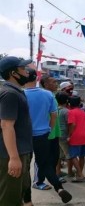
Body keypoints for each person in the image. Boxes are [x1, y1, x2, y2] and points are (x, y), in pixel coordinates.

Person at [24, 67, 72, 204]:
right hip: (43, 135)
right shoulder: (48, 95)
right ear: (36, 79)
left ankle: (27, 200)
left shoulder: (20, 95)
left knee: (25, 168)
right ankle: (59, 188)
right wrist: (49, 130)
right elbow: (54, 115)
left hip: (25, 137)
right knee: (45, 164)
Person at [0, 56, 33, 206]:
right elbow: (7, 125)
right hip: (11, 154)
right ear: (13, 73)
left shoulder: (15, 92)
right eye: (23, 69)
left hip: (19, 151)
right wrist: (13, 158)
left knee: (18, 193)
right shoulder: (10, 94)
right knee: (10, 199)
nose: (27, 73)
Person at [39, 75, 67, 185]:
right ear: (45, 84)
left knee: (55, 157)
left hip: (55, 132)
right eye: (53, 82)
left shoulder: (53, 95)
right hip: (47, 132)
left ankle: (54, 175)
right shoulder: (43, 96)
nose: (56, 84)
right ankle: (40, 180)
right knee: (45, 158)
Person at [67, 96, 85, 183]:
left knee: (73, 155)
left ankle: (80, 174)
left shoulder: (71, 112)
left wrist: (69, 135)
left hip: (76, 136)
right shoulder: (83, 112)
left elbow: (72, 124)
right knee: (82, 155)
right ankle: (79, 173)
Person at [55, 91, 73, 178]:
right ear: (66, 101)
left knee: (58, 154)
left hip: (56, 134)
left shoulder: (54, 110)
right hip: (64, 135)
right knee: (69, 154)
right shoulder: (67, 112)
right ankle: (70, 172)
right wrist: (70, 135)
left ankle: (58, 171)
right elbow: (69, 124)